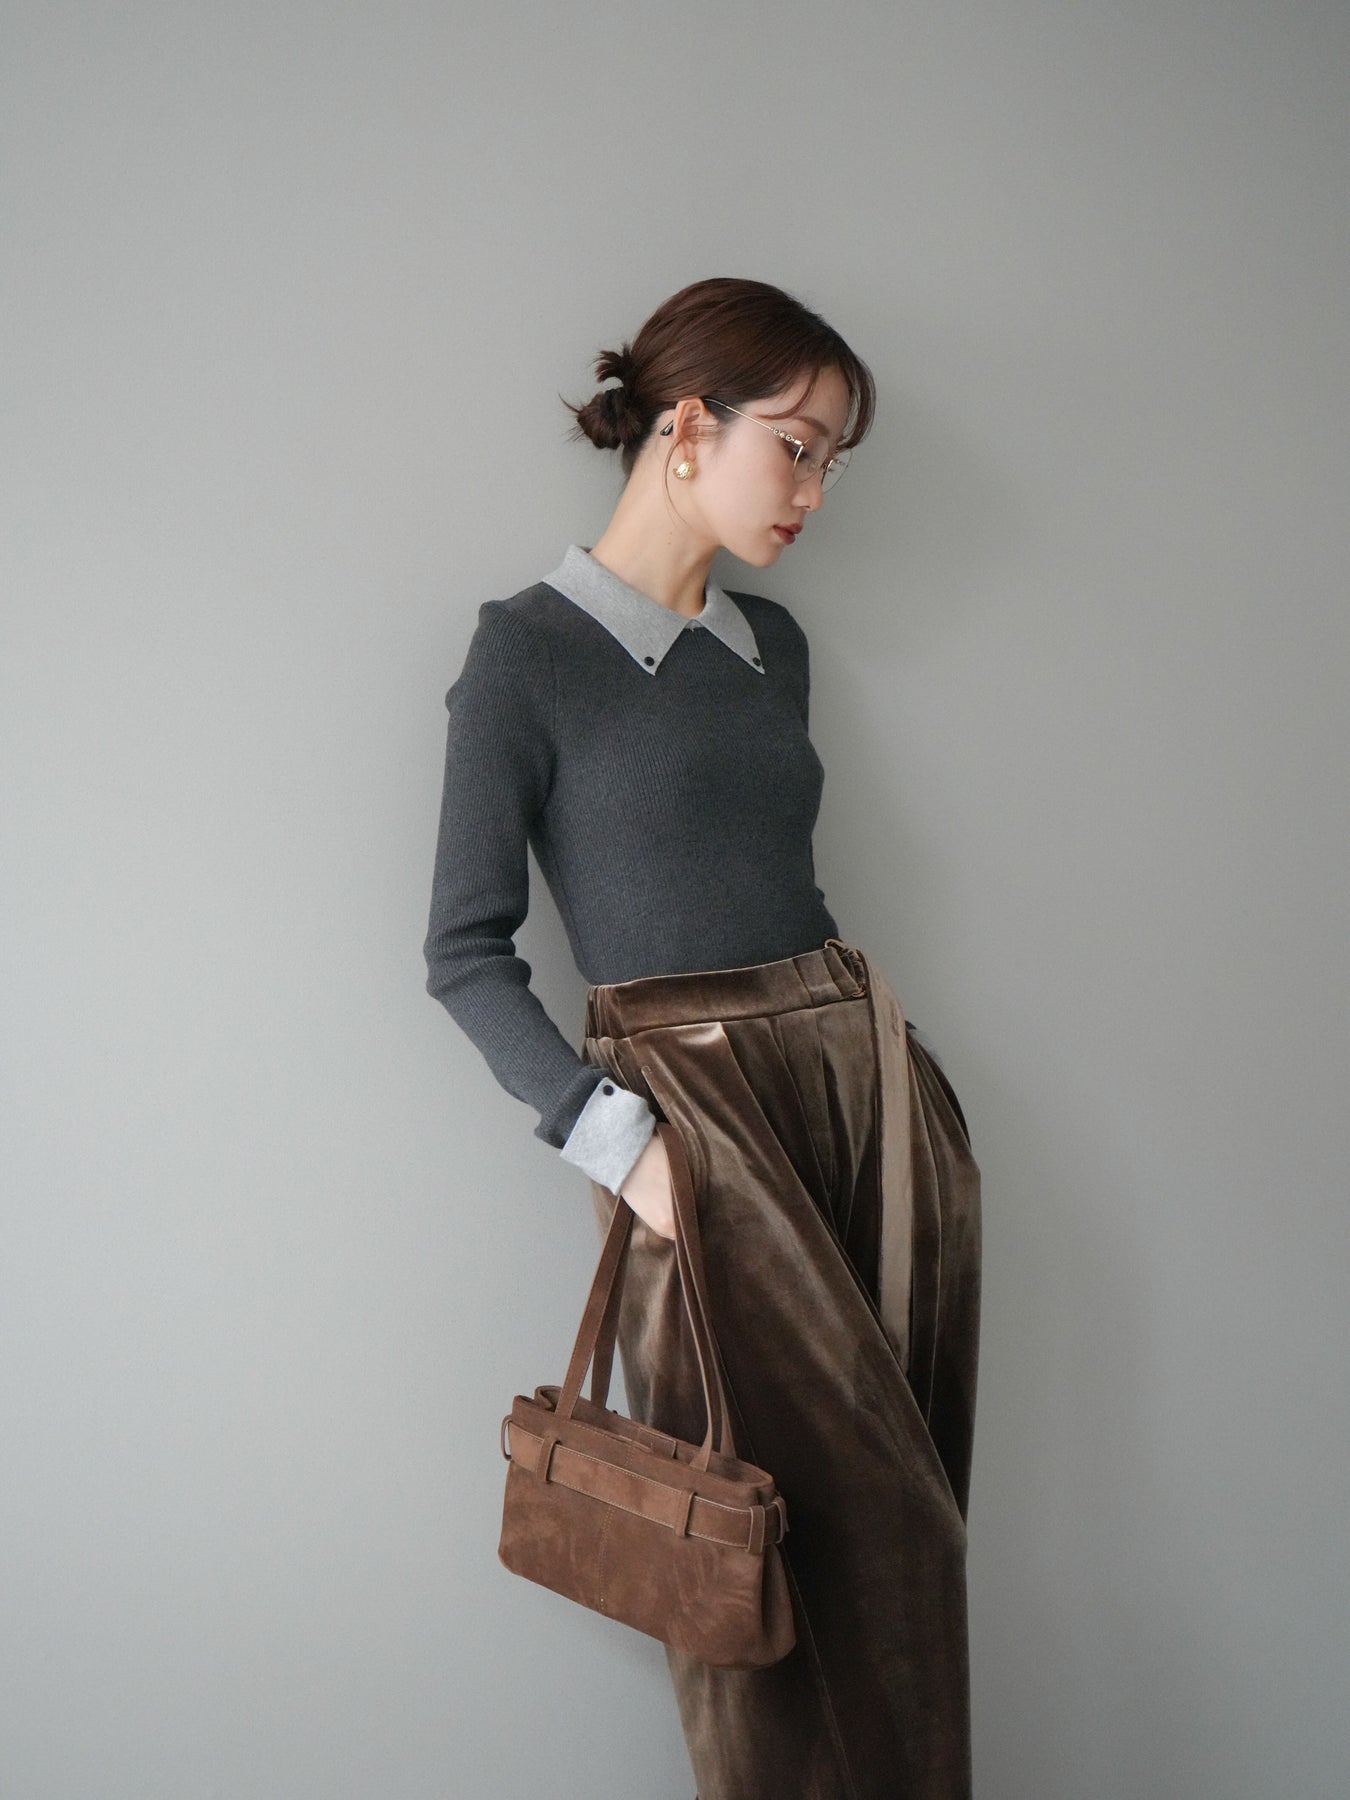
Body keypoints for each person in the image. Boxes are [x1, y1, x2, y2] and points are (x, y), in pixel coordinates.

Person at [423, 276, 982, 1800]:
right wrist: (622, 1148)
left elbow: (780, 880)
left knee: (913, 1552)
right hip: (698, 1121)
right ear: (685, 427)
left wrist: (898, 1082)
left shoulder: (770, 646)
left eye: (830, 463)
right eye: (794, 447)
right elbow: (462, 953)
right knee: (767, 1561)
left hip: (866, 1097)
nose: (812, 492)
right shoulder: (525, 654)